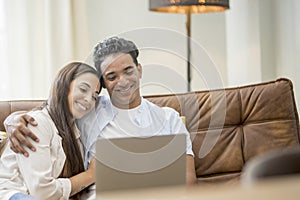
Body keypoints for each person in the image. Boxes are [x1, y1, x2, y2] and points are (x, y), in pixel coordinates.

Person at [4, 37, 197, 185]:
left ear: (139, 70)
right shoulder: (88, 111)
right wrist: (14, 119)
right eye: (112, 76)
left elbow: (188, 179)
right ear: (103, 83)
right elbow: (54, 110)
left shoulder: (168, 118)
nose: (123, 81)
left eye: (128, 71)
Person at [0, 62, 101, 200]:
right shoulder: (36, 123)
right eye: (83, 89)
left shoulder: (76, 132)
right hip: (15, 194)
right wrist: (90, 175)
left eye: (94, 96)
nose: (89, 99)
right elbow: (41, 193)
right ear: (64, 86)